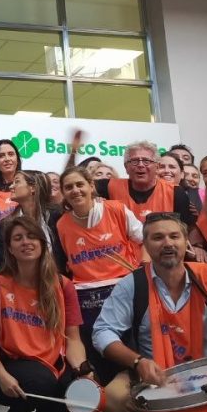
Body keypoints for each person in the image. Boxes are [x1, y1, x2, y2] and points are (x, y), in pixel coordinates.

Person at [92, 213, 207, 412]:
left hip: (205, 376)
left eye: (174, 236)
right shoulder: (133, 284)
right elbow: (102, 332)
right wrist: (138, 362)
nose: (167, 243)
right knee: (113, 397)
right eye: (158, 238)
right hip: (154, 378)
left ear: (186, 242)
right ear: (145, 244)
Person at [0, 216, 86, 412]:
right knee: (41, 382)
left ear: (42, 244)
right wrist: (1, 375)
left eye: (31, 237)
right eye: (18, 238)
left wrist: (83, 371)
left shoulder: (63, 285)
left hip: (53, 362)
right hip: (12, 364)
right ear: (9, 248)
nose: (25, 242)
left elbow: (73, 338)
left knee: (80, 384)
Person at [56, 166, 143, 394]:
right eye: (69, 187)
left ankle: (133, 402)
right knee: (96, 350)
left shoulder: (116, 210)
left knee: (127, 347)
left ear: (91, 186)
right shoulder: (62, 224)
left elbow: (145, 237)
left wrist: (143, 268)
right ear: (63, 193)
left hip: (121, 287)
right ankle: (104, 408)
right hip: (85, 295)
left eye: (79, 184)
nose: (75, 190)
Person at [93, 141, 201, 262]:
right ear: (126, 167)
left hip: (161, 263)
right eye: (134, 161)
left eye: (146, 161)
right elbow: (74, 187)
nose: (140, 165)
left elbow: (186, 230)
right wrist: (93, 200)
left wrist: (197, 246)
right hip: (119, 264)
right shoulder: (108, 186)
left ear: (157, 166)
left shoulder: (176, 193)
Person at [0, 171, 67, 274]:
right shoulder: (3, 227)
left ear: (33, 188)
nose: (11, 187)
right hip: (21, 285)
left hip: (58, 281)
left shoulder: (57, 216)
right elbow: (4, 266)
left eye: (17, 182)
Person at [0, 139, 22, 221]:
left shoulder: (28, 187)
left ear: (17, 159)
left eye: (11, 154)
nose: (7, 159)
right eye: (1, 156)